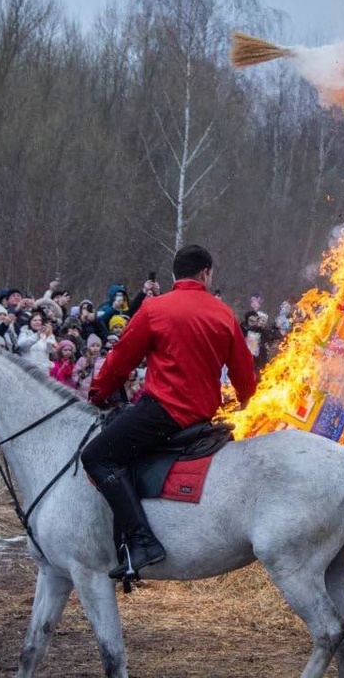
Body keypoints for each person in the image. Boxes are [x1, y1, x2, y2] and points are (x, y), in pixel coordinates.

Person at [81, 245, 256, 581]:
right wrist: (245, 398)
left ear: (175, 274)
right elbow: (244, 372)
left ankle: (142, 541)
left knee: (96, 456)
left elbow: (121, 359)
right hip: (201, 418)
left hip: (161, 412)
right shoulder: (223, 314)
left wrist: (98, 392)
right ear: (206, 273)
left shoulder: (154, 308)